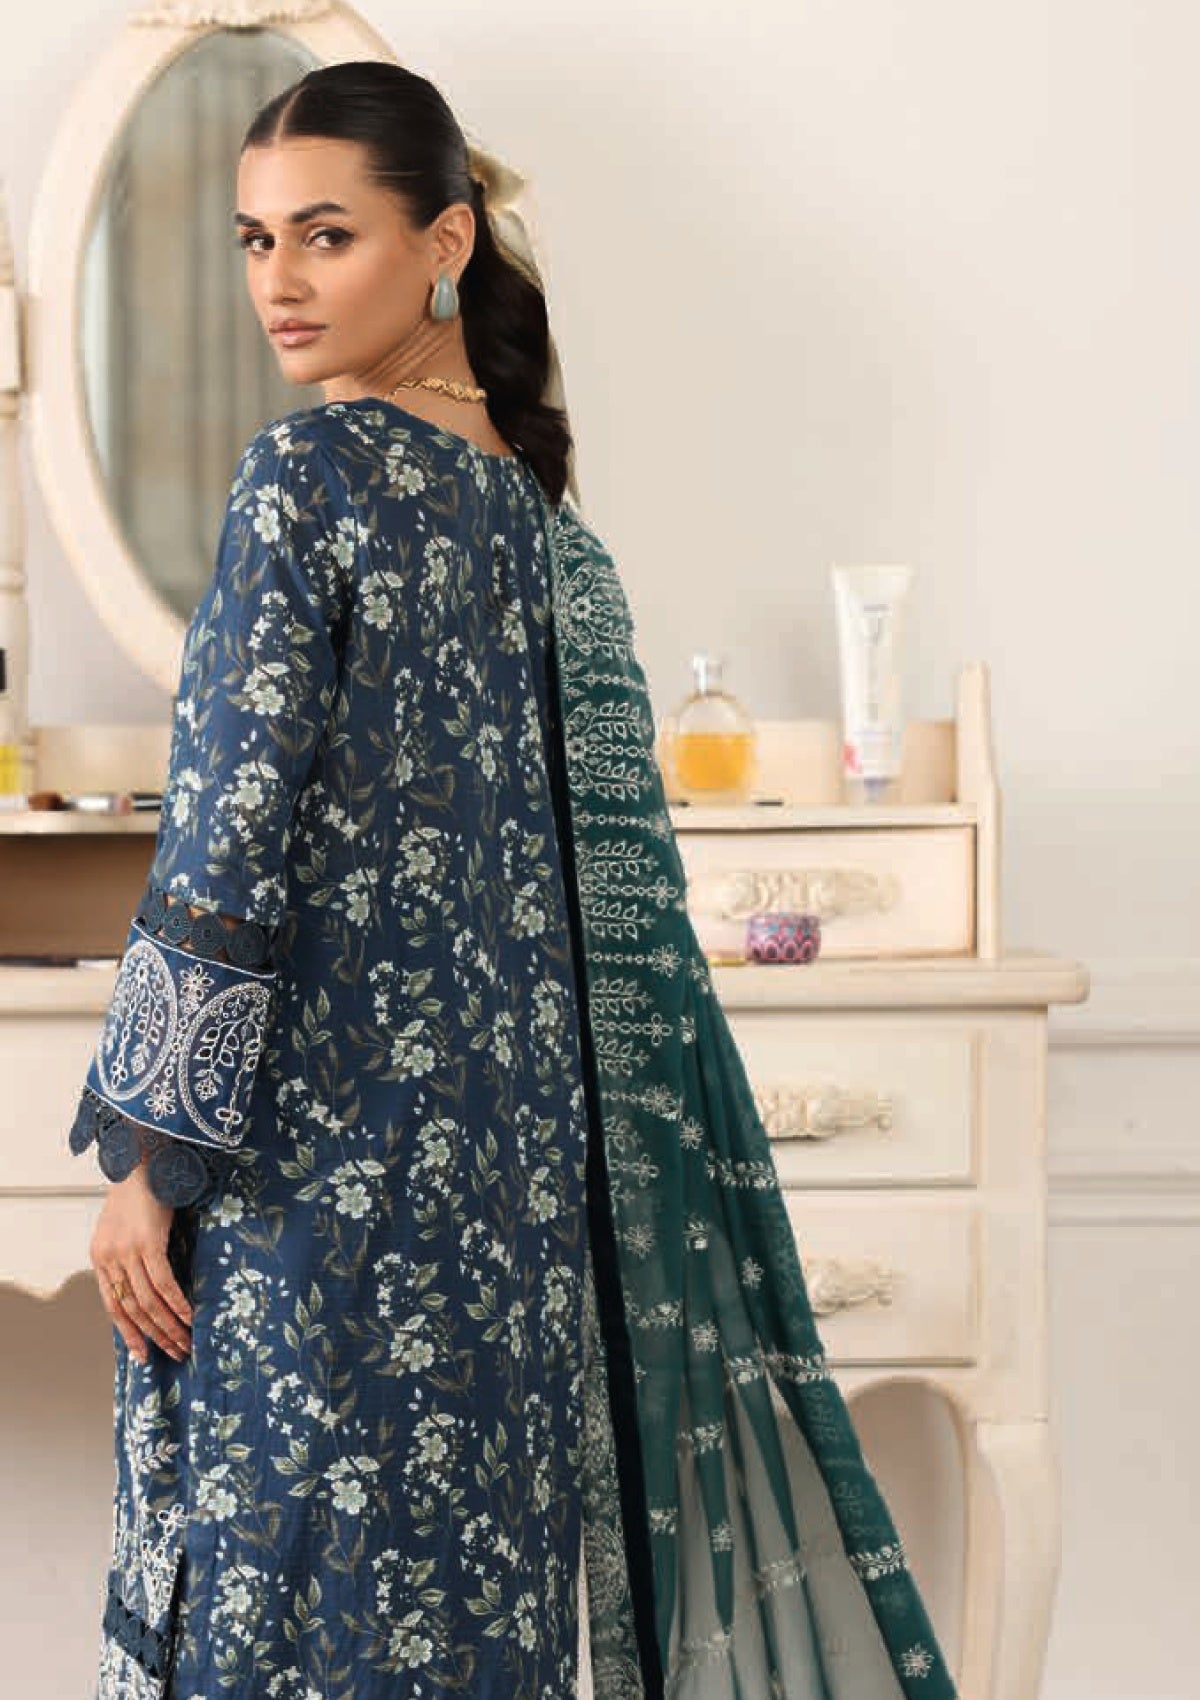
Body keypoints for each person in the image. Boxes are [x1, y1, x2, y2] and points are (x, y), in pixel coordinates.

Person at [69, 59, 959, 1700]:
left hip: (317, 1191)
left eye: (326, 235)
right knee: (470, 1626)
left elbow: (228, 838)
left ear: (445, 242)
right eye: (257, 241)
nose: (279, 282)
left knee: (280, 1622)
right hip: (511, 1216)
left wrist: (149, 1155)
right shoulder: (551, 533)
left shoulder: (306, 480)